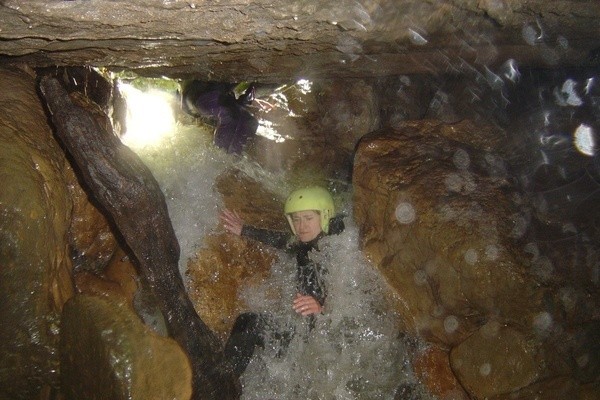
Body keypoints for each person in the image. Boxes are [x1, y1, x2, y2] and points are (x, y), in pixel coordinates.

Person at [219, 186, 345, 377]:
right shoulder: (304, 245)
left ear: (325, 216)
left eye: (308, 218)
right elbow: (281, 239)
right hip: (303, 336)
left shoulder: (338, 250)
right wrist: (244, 229)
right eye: (296, 219)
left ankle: (224, 386)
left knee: (250, 324)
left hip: (329, 345)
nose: (301, 226)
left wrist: (322, 309)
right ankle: (226, 383)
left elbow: (353, 299)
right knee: (247, 321)